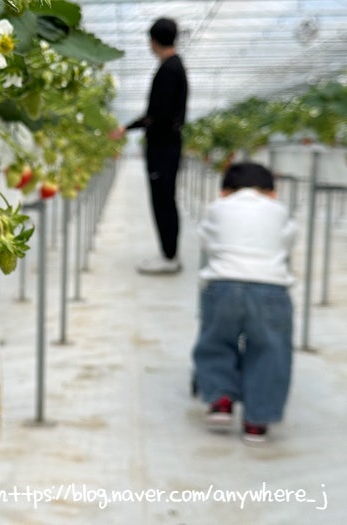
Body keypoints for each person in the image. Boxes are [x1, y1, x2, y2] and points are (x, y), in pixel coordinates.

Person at [191, 162, 297, 444]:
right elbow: (287, 242)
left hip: (222, 284)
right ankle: (256, 422)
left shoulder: (217, 208)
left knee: (215, 343)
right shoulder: (280, 210)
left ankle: (221, 399)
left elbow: (206, 240)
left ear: (224, 191)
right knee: (270, 351)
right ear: (272, 192)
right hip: (270, 288)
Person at [111, 17, 188, 274]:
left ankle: (169, 256)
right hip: (168, 144)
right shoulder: (175, 67)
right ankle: (169, 253)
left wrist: (129, 127)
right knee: (166, 198)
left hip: (163, 147)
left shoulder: (169, 70)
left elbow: (157, 115)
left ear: (153, 40)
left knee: (163, 200)